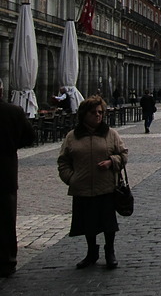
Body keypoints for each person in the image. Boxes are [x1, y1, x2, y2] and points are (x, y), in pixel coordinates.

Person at [57, 96, 128, 270]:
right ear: (84, 114)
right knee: (88, 223)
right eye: (93, 112)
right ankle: (91, 253)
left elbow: (123, 155)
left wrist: (112, 161)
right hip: (82, 187)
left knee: (108, 223)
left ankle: (109, 251)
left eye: (100, 112)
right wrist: (70, 178)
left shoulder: (111, 134)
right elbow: (63, 161)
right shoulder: (72, 136)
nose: (98, 115)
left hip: (106, 186)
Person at [0, 78, 36, 278]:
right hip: (5, 173)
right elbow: (30, 137)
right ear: (1, 92)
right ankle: (7, 261)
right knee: (6, 218)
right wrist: (13, 144)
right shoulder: (14, 112)